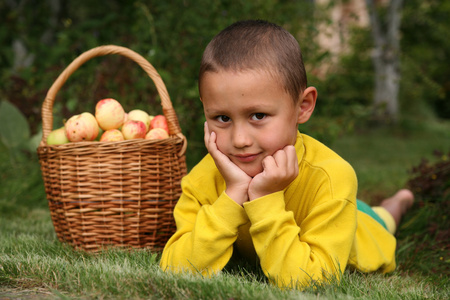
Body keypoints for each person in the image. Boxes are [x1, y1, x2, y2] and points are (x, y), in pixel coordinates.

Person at [159, 19, 414, 289]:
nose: (240, 140)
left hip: (361, 230)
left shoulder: (332, 178)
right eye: (222, 118)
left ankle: (395, 204)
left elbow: (310, 282)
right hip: (328, 208)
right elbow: (175, 268)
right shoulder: (203, 178)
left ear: (303, 106)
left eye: (258, 116)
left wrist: (266, 199)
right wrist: (232, 195)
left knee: (381, 220)